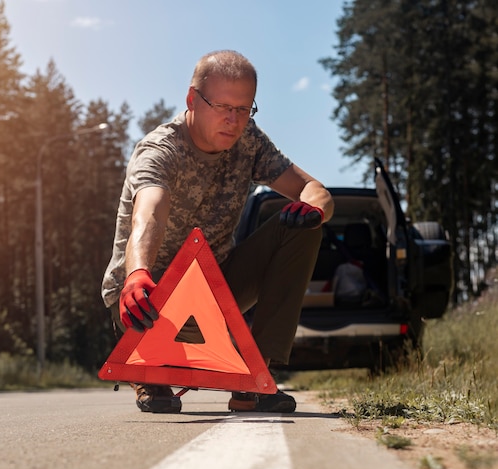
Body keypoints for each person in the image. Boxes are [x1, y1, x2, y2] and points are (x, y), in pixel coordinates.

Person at [101, 50, 334, 414]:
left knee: (304, 228)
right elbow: (149, 215)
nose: (234, 120)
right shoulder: (161, 149)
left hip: (213, 288)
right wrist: (137, 273)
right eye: (223, 106)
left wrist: (315, 209)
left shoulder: (249, 142)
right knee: (158, 372)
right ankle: (150, 371)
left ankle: (257, 377)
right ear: (193, 99)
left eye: (244, 109)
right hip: (146, 299)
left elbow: (314, 189)